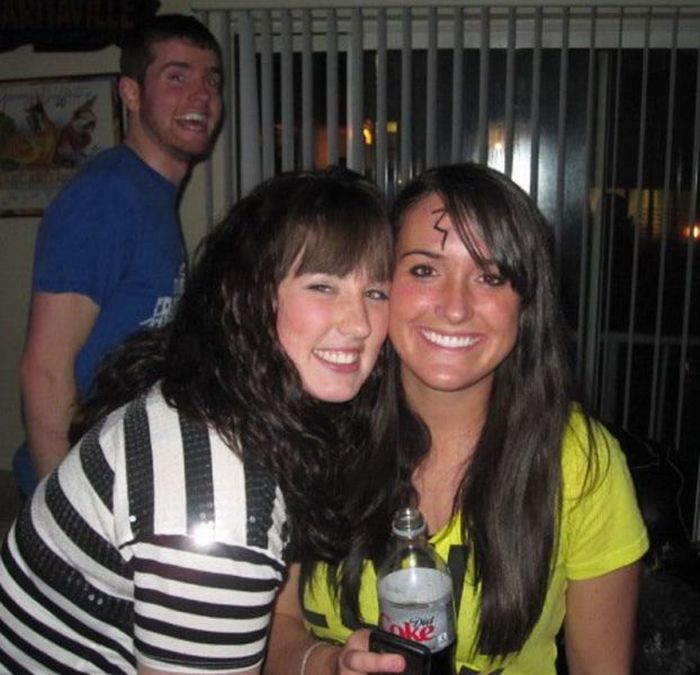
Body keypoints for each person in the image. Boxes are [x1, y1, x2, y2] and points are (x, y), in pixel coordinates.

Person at [0, 168, 393, 673]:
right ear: (252, 295)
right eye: (322, 286)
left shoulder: (218, 407)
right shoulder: (217, 494)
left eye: (375, 292)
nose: (359, 324)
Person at [264, 163, 649, 675]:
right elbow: (275, 623)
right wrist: (330, 664)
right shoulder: (313, 429)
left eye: (490, 277)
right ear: (382, 283)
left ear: (525, 304)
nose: (454, 308)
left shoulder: (580, 461)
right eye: (425, 270)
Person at [15, 13, 224, 496]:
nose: (201, 95)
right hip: (80, 485)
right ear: (131, 94)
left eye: (211, 80)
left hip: (121, 476)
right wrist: (63, 509)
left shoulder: (150, 195)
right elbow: (44, 368)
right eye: (177, 77)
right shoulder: (107, 196)